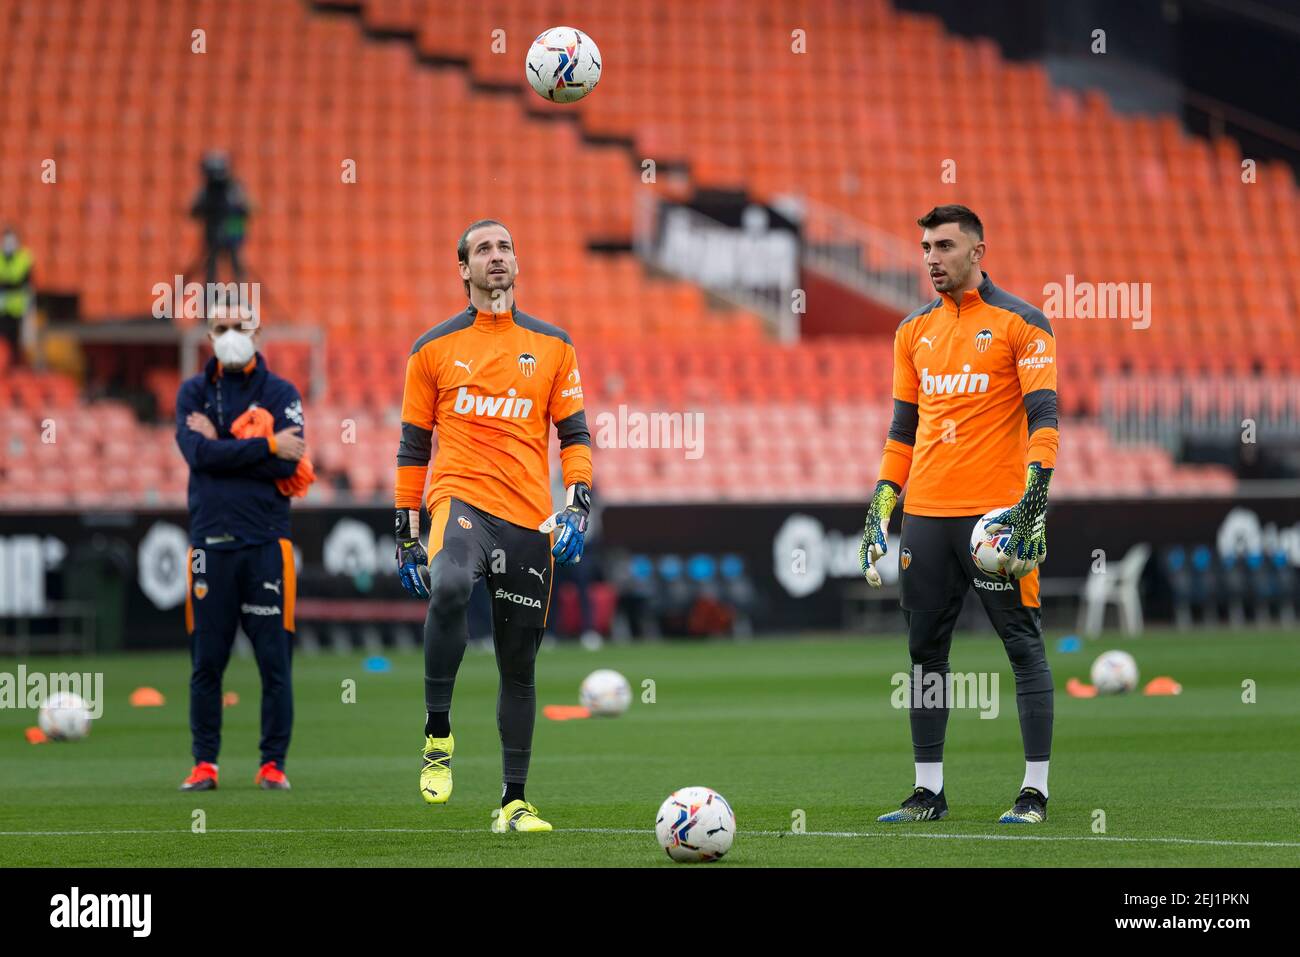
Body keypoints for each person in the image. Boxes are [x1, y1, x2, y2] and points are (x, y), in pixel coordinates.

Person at [859, 205, 1060, 825]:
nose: (930, 257)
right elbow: (902, 430)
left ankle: (1034, 792)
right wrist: (882, 503)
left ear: (978, 251)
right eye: (924, 246)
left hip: (994, 522)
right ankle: (928, 792)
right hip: (926, 515)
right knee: (925, 655)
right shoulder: (911, 331)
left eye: (944, 245)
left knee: (1022, 646)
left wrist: (1033, 499)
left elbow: (1044, 419)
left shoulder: (1023, 323)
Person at [394, 219, 593, 833]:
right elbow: (412, 448)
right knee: (449, 585)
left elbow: (575, 435)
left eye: (505, 246)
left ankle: (513, 800)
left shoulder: (554, 345)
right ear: (464, 269)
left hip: (529, 518)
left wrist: (580, 499)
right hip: (460, 504)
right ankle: (437, 732)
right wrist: (404, 531)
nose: (497, 256)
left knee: (519, 664)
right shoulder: (431, 350)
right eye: (484, 249)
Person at [174, 301, 308, 791]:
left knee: (276, 662)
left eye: (240, 326)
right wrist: (266, 445)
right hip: (209, 545)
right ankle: (204, 764)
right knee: (206, 662)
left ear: (258, 331)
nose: (231, 334)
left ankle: (273, 764)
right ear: (208, 335)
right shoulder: (191, 393)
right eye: (222, 327)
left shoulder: (280, 391)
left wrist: (228, 446)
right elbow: (198, 454)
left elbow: (290, 465)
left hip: (267, 544)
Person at [189, 152, 250, 287]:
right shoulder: (206, 191)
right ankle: (210, 292)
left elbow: (246, 208)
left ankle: (239, 291)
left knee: (236, 263)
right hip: (212, 236)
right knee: (211, 264)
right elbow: (194, 211)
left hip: (233, 234)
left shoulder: (234, 189)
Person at [0, 226, 35, 363]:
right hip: (2, 309)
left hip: (18, 309)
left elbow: (23, 280)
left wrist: (7, 283)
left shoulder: (24, 257)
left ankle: (15, 367)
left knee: (17, 344)